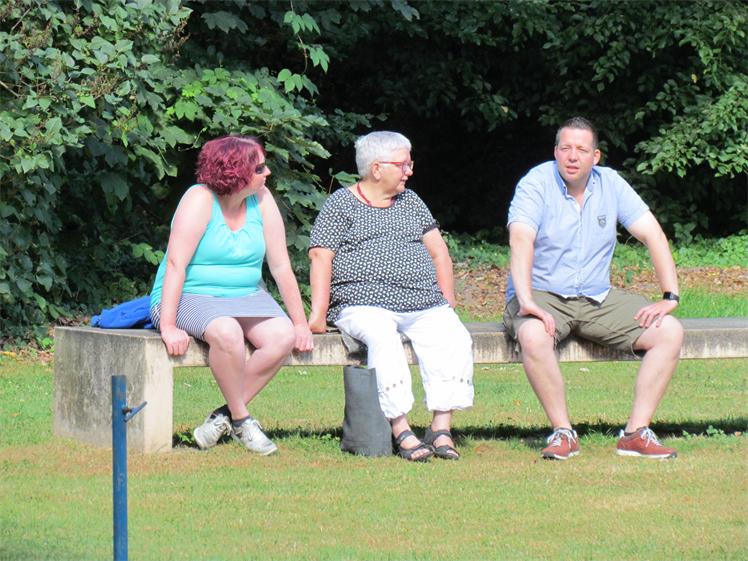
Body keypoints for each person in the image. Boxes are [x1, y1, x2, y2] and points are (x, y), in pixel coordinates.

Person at [504, 116, 684, 461]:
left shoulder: (611, 184)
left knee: (670, 331)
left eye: (581, 150)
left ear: (595, 156)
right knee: (533, 335)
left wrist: (669, 296)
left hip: (596, 298)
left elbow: (653, 234)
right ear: (555, 152)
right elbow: (521, 238)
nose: (572, 156)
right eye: (565, 148)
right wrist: (526, 300)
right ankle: (563, 433)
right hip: (542, 294)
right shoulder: (536, 183)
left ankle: (635, 434)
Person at [308, 131, 474, 462]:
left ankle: (441, 428)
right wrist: (318, 314)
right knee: (383, 338)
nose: (409, 171)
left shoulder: (410, 201)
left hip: (423, 301)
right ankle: (401, 429)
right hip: (362, 303)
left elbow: (439, 252)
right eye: (403, 164)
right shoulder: (341, 204)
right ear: (376, 168)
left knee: (454, 336)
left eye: (409, 163)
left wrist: (447, 299)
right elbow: (320, 256)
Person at [149, 135, 313, 456]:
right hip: (191, 295)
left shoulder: (262, 199)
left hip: (247, 295)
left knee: (283, 336)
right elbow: (176, 264)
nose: (267, 173)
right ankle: (242, 420)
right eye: (260, 168)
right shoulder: (199, 200)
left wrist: (300, 324)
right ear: (236, 172)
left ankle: (224, 416)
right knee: (227, 332)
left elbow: (281, 266)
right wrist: (168, 325)